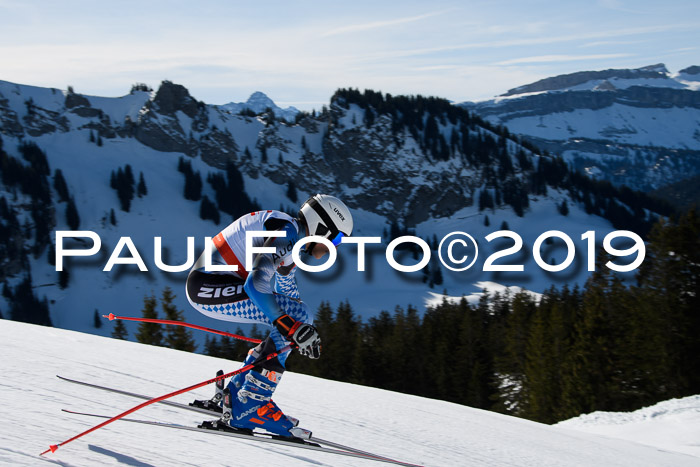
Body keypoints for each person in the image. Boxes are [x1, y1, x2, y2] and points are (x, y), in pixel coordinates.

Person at [185, 193, 353, 438]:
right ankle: (251, 403)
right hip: (208, 286)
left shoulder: (290, 235)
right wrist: (293, 327)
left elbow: (289, 292)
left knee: (298, 314)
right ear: (321, 227)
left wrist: (300, 331)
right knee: (297, 316)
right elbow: (256, 286)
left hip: (211, 284)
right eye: (336, 238)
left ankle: (237, 393)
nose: (334, 247)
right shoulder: (286, 232)